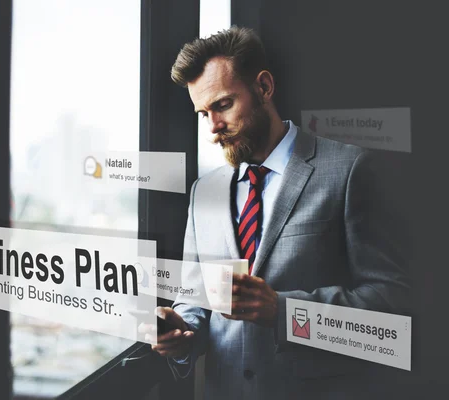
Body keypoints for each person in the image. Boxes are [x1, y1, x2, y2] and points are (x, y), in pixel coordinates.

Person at [147, 26, 411, 399]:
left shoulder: (350, 170)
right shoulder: (202, 191)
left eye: (222, 105)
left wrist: (283, 311)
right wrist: (181, 331)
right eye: (203, 114)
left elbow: (392, 302)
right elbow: (195, 300)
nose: (213, 129)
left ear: (264, 87)